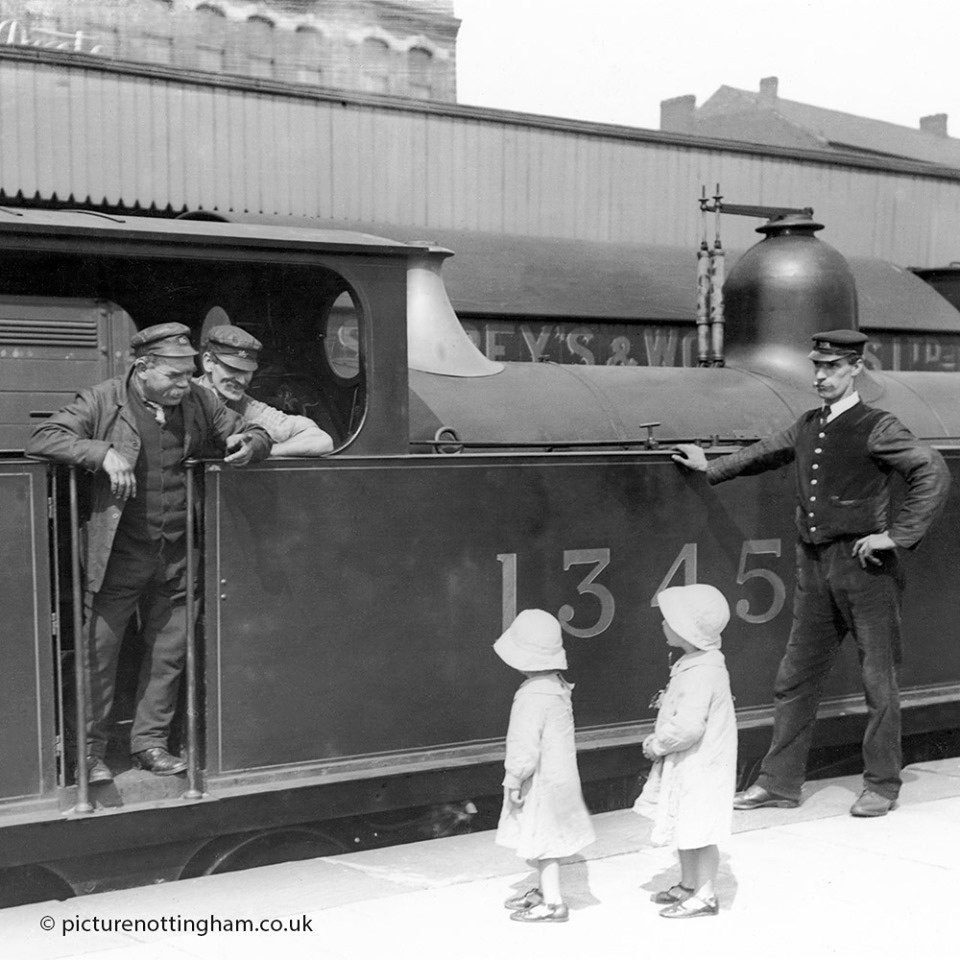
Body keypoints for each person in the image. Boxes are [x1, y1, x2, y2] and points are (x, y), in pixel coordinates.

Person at [672, 329, 951, 818]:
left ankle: (882, 786)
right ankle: (779, 784)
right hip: (815, 567)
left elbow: (932, 469)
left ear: (855, 368)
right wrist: (709, 467)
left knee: (877, 682)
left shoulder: (877, 425)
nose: (821, 377)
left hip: (867, 570)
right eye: (817, 368)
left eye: (832, 368)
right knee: (795, 678)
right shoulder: (808, 425)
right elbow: (764, 452)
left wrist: (898, 535)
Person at [27, 323, 273, 782]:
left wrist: (250, 443)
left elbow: (251, 428)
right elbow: (44, 438)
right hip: (117, 554)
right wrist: (99, 452)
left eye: (189, 375)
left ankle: (150, 745)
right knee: (98, 653)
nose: (186, 385)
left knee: (168, 652)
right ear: (142, 368)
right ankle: (88, 753)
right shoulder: (102, 399)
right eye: (175, 377)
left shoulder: (198, 400)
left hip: (177, 550)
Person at [634, 584, 736, 919]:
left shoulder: (702, 672)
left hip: (701, 767)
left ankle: (705, 895)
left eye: (668, 620)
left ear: (685, 630)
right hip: (692, 765)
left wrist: (657, 744)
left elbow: (689, 727)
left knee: (701, 831)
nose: (663, 623)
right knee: (687, 826)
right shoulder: (696, 663)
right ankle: (689, 883)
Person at [493, 609, 596, 923]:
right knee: (545, 838)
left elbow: (523, 747)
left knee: (544, 844)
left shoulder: (530, 695)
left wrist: (512, 780)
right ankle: (541, 892)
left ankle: (552, 903)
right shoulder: (557, 687)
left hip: (540, 782)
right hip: (560, 779)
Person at [196, 325, 333, 457]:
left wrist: (260, 450)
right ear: (208, 362)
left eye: (247, 372)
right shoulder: (183, 393)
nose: (242, 381)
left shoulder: (248, 408)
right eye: (233, 369)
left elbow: (322, 441)